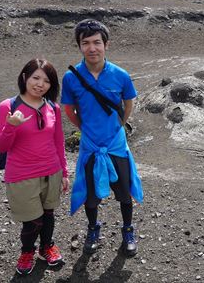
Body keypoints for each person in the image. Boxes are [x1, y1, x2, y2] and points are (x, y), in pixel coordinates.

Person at [61, 19, 143, 257]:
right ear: (79, 46)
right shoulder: (71, 78)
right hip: (90, 145)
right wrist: (85, 129)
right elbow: (69, 110)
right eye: (85, 43)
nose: (92, 48)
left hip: (116, 145)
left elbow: (129, 103)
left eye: (97, 42)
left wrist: (119, 124)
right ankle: (93, 229)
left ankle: (128, 230)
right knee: (90, 194)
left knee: (124, 191)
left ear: (106, 44)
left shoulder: (120, 75)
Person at [0, 58, 69, 275]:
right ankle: (27, 251)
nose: (40, 84)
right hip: (22, 174)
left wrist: (64, 172)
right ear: (25, 77)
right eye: (36, 77)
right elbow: (1, 145)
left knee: (48, 214)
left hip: (51, 171)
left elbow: (59, 142)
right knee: (32, 220)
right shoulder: (8, 107)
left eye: (46, 80)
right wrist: (11, 127)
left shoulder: (53, 107)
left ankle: (47, 247)